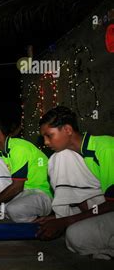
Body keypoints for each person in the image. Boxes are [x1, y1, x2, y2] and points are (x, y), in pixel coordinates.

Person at [37, 106, 114, 259]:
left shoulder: (106, 148)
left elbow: (112, 203)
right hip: (101, 209)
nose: (45, 142)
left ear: (67, 129)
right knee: (76, 236)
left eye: (49, 135)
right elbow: (84, 196)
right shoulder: (69, 155)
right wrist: (58, 217)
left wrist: (65, 221)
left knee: (74, 235)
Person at [0, 118, 53, 223]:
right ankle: (4, 211)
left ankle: (37, 221)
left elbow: (17, 187)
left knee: (13, 209)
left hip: (42, 194)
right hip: (24, 193)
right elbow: (3, 185)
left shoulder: (19, 148)